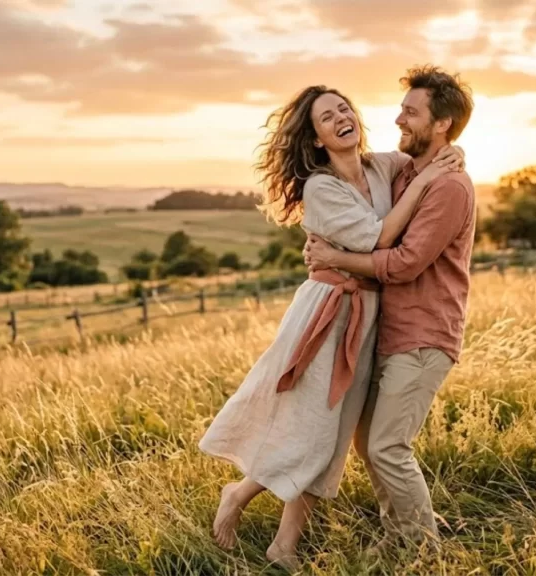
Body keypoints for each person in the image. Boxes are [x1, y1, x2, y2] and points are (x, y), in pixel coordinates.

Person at [197, 82, 464, 570]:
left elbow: (431, 155)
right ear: (317, 138)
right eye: (327, 117)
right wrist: (424, 185)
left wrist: (453, 150)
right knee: (308, 426)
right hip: (328, 314)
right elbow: (376, 237)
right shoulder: (321, 187)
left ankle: (283, 546)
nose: (342, 117)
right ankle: (237, 494)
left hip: (367, 320)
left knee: (334, 436)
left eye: (345, 109)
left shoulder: (380, 166)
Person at [302, 65, 476, 551]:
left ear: (441, 124)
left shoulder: (448, 187)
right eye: (401, 109)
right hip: (391, 331)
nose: (398, 119)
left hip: (425, 334)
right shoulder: (407, 171)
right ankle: (400, 532)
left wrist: (336, 256)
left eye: (411, 112)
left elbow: (403, 264)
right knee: (366, 442)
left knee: (387, 446)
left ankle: (423, 548)